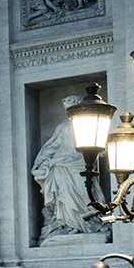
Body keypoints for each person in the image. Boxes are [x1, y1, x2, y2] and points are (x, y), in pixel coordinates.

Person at [31, 99, 102, 241]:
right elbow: (52, 145)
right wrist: (39, 163)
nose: (69, 113)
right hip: (61, 167)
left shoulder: (90, 125)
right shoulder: (63, 126)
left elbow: (100, 146)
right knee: (64, 197)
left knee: (85, 194)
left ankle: (86, 225)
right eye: (67, 110)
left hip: (81, 165)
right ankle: (68, 225)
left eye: (72, 109)